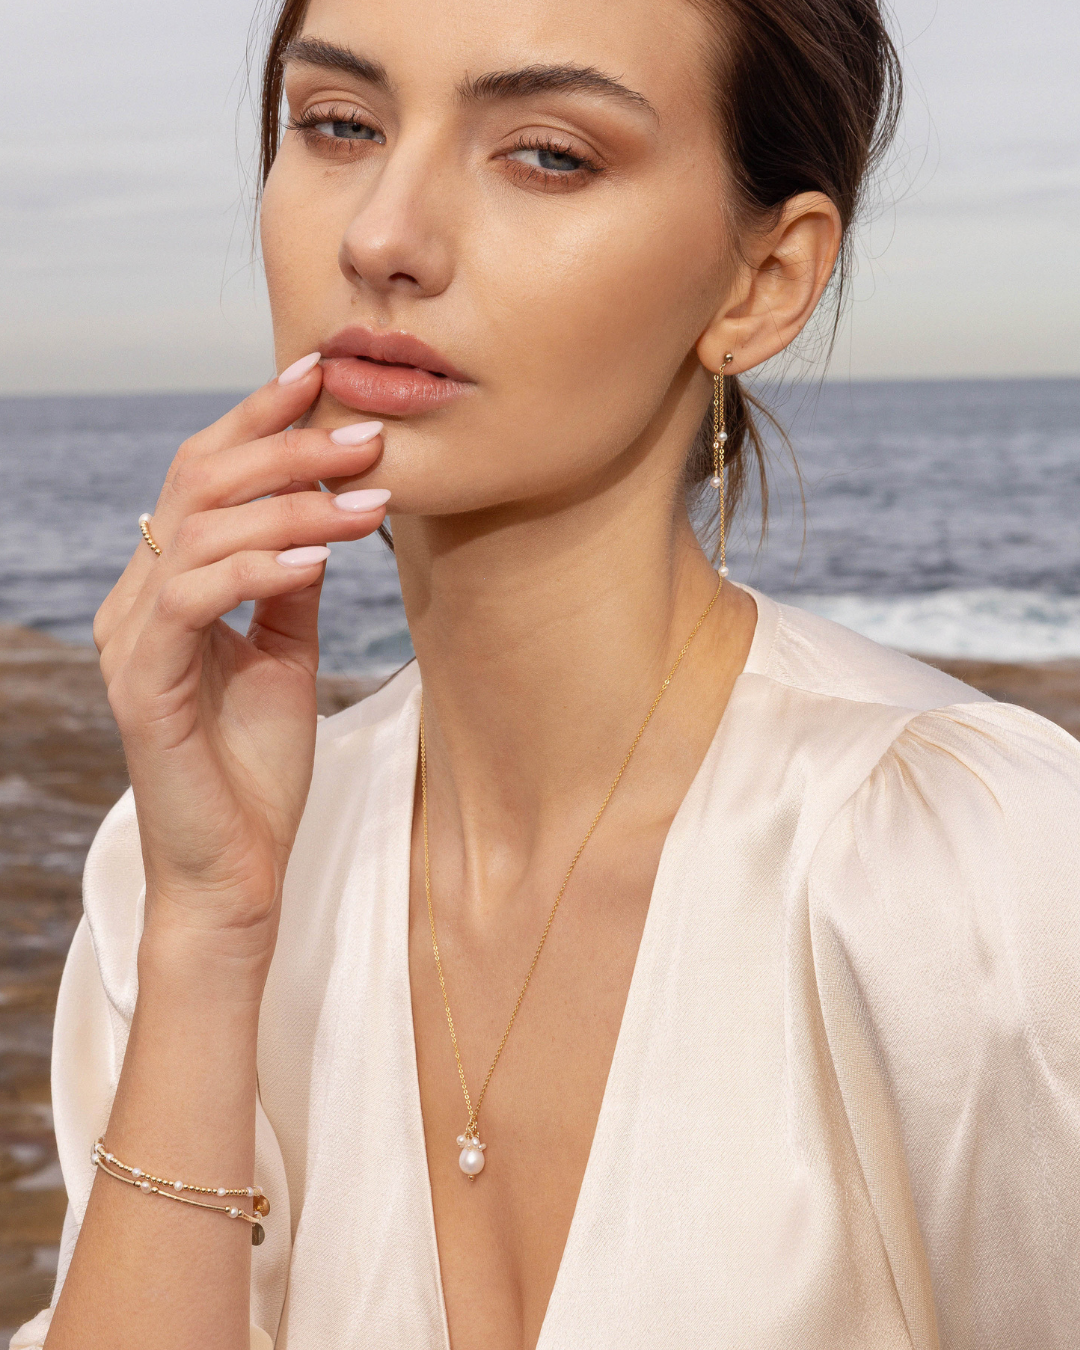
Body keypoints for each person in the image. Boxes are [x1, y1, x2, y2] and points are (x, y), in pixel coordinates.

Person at [18, 0, 1080, 1346]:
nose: (381, 238)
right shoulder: (179, 879)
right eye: (337, 125)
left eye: (548, 154)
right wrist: (208, 935)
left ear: (765, 283)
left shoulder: (972, 875)